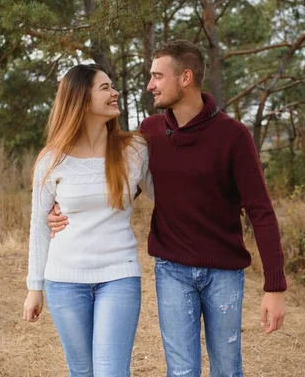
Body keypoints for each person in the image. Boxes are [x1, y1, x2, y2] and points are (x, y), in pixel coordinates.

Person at [48, 40, 286, 377]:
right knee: (181, 371)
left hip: (224, 271)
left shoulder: (234, 136)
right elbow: (122, 188)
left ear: (185, 77)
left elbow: (261, 212)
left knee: (227, 369)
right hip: (172, 269)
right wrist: (61, 207)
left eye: (158, 76)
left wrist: (274, 287)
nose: (150, 85)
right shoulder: (151, 132)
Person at [23, 63, 153, 377]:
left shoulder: (134, 149)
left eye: (113, 86)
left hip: (118, 275)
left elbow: (168, 199)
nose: (115, 92)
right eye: (105, 87)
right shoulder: (52, 159)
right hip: (64, 281)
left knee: (110, 372)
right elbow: (39, 225)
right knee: (82, 371)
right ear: (82, 98)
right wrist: (34, 287)